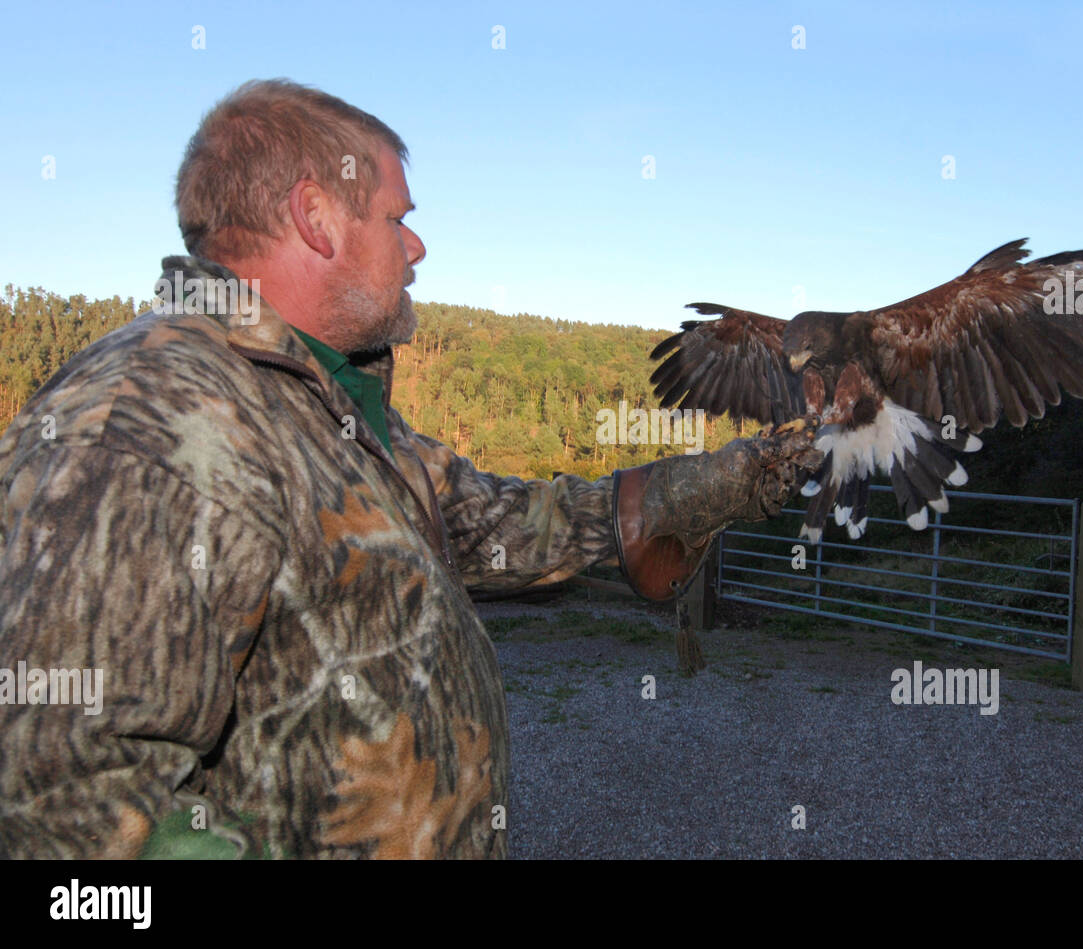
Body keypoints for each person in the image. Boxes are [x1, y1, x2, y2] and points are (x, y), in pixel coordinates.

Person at [0, 79, 821, 859]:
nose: (418, 243)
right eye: (398, 217)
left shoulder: (331, 404)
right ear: (317, 217)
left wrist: (693, 488)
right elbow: (54, 799)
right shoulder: (153, 420)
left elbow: (482, 521)